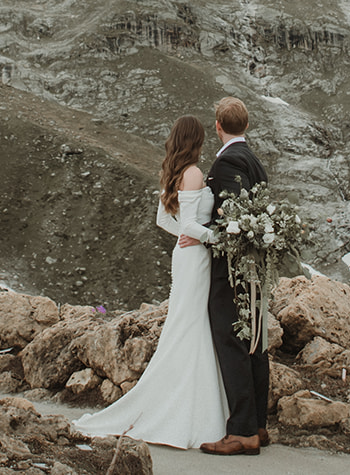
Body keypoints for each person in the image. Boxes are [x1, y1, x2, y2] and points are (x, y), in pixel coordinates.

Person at [73, 115, 228, 449]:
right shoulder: (194, 173)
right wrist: (215, 238)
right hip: (195, 259)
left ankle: (182, 402)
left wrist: (188, 237)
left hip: (186, 256)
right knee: (190, 327)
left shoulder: (174, 171)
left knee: (184, 325)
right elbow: (187, 224)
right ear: (196, 140)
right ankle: (188, 411)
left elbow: (165, 221)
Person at [190, 96, 271, 457]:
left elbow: (233, 217)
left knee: (232, 339)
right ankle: (258, 424)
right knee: (255, 340)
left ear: (218, 126)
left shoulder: (228, 163)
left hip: (233, 268)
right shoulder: (254, 160)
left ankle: (241, 430)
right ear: (246, 125)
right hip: (254, 267)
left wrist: (203, 232)